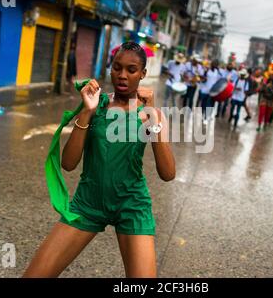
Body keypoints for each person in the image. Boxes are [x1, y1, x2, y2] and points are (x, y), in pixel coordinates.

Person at [23, 42, 176, 278]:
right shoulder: (97, 104)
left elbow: (168, 173)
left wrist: (151, 117)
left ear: (143, 74)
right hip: (88, 203)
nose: (122, 75)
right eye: (117, 68)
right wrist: (87, 111)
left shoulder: (151, 114)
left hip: (132, 205)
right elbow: (69, 164)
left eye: (131, 70)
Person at [201, 59, 224, 124]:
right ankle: (203, 115)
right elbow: (203, 79)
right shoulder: (207, 70)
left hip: (213, 91)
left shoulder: (218, 72)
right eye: (213, 64)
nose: (214, 65)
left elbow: (220, 80)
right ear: (211, 64)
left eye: (216, 64)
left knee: (210, 104)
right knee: (203, 104)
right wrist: (204, 79)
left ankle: (206, 117)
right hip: (205, 90)